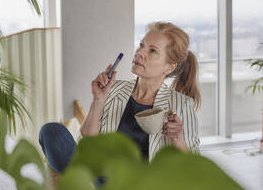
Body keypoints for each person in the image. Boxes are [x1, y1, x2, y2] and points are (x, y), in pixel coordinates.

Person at [39, 21, 201, 174]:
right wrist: (98, 100)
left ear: (169, 67)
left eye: (152, 51)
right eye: (141, 45)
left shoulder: (181, 104)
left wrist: (177, 138)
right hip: (101, 177)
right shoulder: (114, 89)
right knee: (51, 131)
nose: (140, 53)